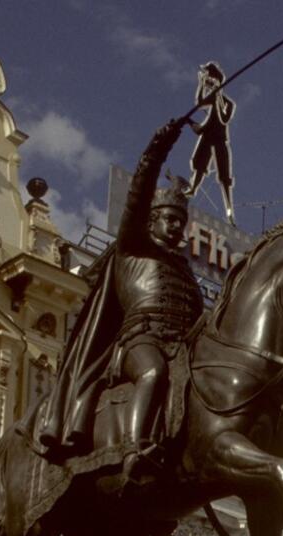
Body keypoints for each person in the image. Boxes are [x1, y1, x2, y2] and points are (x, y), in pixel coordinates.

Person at [39, 117, 204, 478]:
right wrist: (156, 152)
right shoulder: (134, 247)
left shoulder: (184, 269)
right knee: (152, 372)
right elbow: (138, 195)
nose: (176, 225)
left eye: (180, 220)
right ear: (151, 221)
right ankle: (135, 448)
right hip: (139, 341)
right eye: (168, 218)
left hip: (181, 347)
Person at [187, 61, 236, 223]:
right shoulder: (213, 98)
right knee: (200, 165)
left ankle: (229, 210)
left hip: (220, 139)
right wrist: (201, 84)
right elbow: (200, 102)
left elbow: (224, 118)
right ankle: (193, 188)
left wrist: (218, 93)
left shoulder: (227, 103)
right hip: (207, 136)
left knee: (224, 176)